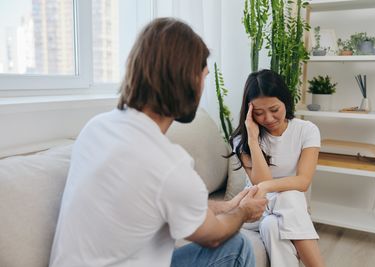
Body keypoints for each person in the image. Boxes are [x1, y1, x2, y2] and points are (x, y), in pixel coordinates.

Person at [49, 18, 267, 267]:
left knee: (237, 245)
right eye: (203, 76)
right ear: (187, 80)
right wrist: (244, 212)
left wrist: (227, 206)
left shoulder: (95, 127)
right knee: (237, 248)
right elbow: (214, 237)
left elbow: (153, 200)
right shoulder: (169, 164)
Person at [229, 69, 325, 267]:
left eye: (274, 109)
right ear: (249, 112)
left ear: (285, 102)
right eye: (258, 113)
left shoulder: (306, 130)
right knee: (286, 197)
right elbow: (261, 183)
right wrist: (254, 140)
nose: (269, 118)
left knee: (272, 225)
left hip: (287, 209)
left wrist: (266, 187)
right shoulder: (242, 139)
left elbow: (303, 182)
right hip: (256, 209)